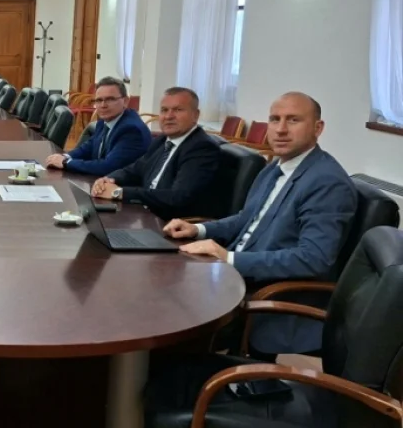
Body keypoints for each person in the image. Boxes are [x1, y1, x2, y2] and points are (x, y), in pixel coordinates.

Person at [163, 92, 357, 355]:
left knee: (169, 317)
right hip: (233, 277)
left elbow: (313, 258)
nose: (280, 129)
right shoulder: (275, 168)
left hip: (264, 295)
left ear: (317, 128)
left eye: (293, 120)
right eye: (274, 119)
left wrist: (230, 259)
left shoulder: (327, 182)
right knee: (162, 283)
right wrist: (199, 229)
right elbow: (247, 219)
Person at [90, 87, 222, 220]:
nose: (169, 116)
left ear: (195, 115)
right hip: (144, 213)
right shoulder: (162, 140)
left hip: (170, 223)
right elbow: (135, 169)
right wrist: (109, 179)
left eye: (178, 110)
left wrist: (119, 192)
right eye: (164, 110)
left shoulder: (201, 148)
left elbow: (177, 197)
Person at [44, 77, 150, 176]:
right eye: (99, 100)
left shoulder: (131, 130)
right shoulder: (105, 120)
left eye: (110, 99)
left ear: (125, 101)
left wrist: (66, 162)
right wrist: (65, 156)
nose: (103, 105)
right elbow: (89, 147)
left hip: (121, 187)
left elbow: (108, 167)